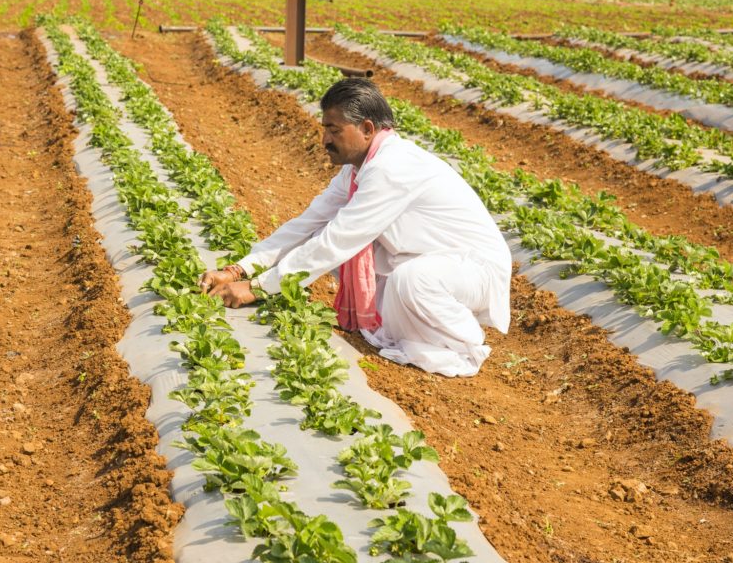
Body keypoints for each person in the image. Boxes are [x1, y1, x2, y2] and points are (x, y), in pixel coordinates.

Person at [198, 78, 511, 377]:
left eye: (333, 130)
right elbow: (308, 224)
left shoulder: (391, 168)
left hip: (472, 269)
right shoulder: (359, 169)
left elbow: (338, 239)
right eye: (324, 129)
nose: (324, 140)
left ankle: (462, 342)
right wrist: (239, 270)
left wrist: (258, 288)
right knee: (338, 251)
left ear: (366, 129)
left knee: (410, 280)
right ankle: (420, 326)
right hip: (428, 259)